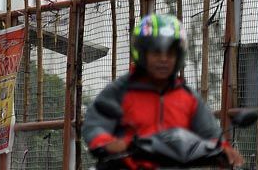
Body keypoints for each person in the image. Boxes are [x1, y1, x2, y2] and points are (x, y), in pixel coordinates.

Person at [84, 14, 244, 168]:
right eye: (156, 52)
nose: (163, 59)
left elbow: (210, 133)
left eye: (170, 53)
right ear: (142, 53)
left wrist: (223, 149)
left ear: (179, 56)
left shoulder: (188, 97)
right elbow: (96, 123)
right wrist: (109, 143)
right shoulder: (121, 91)